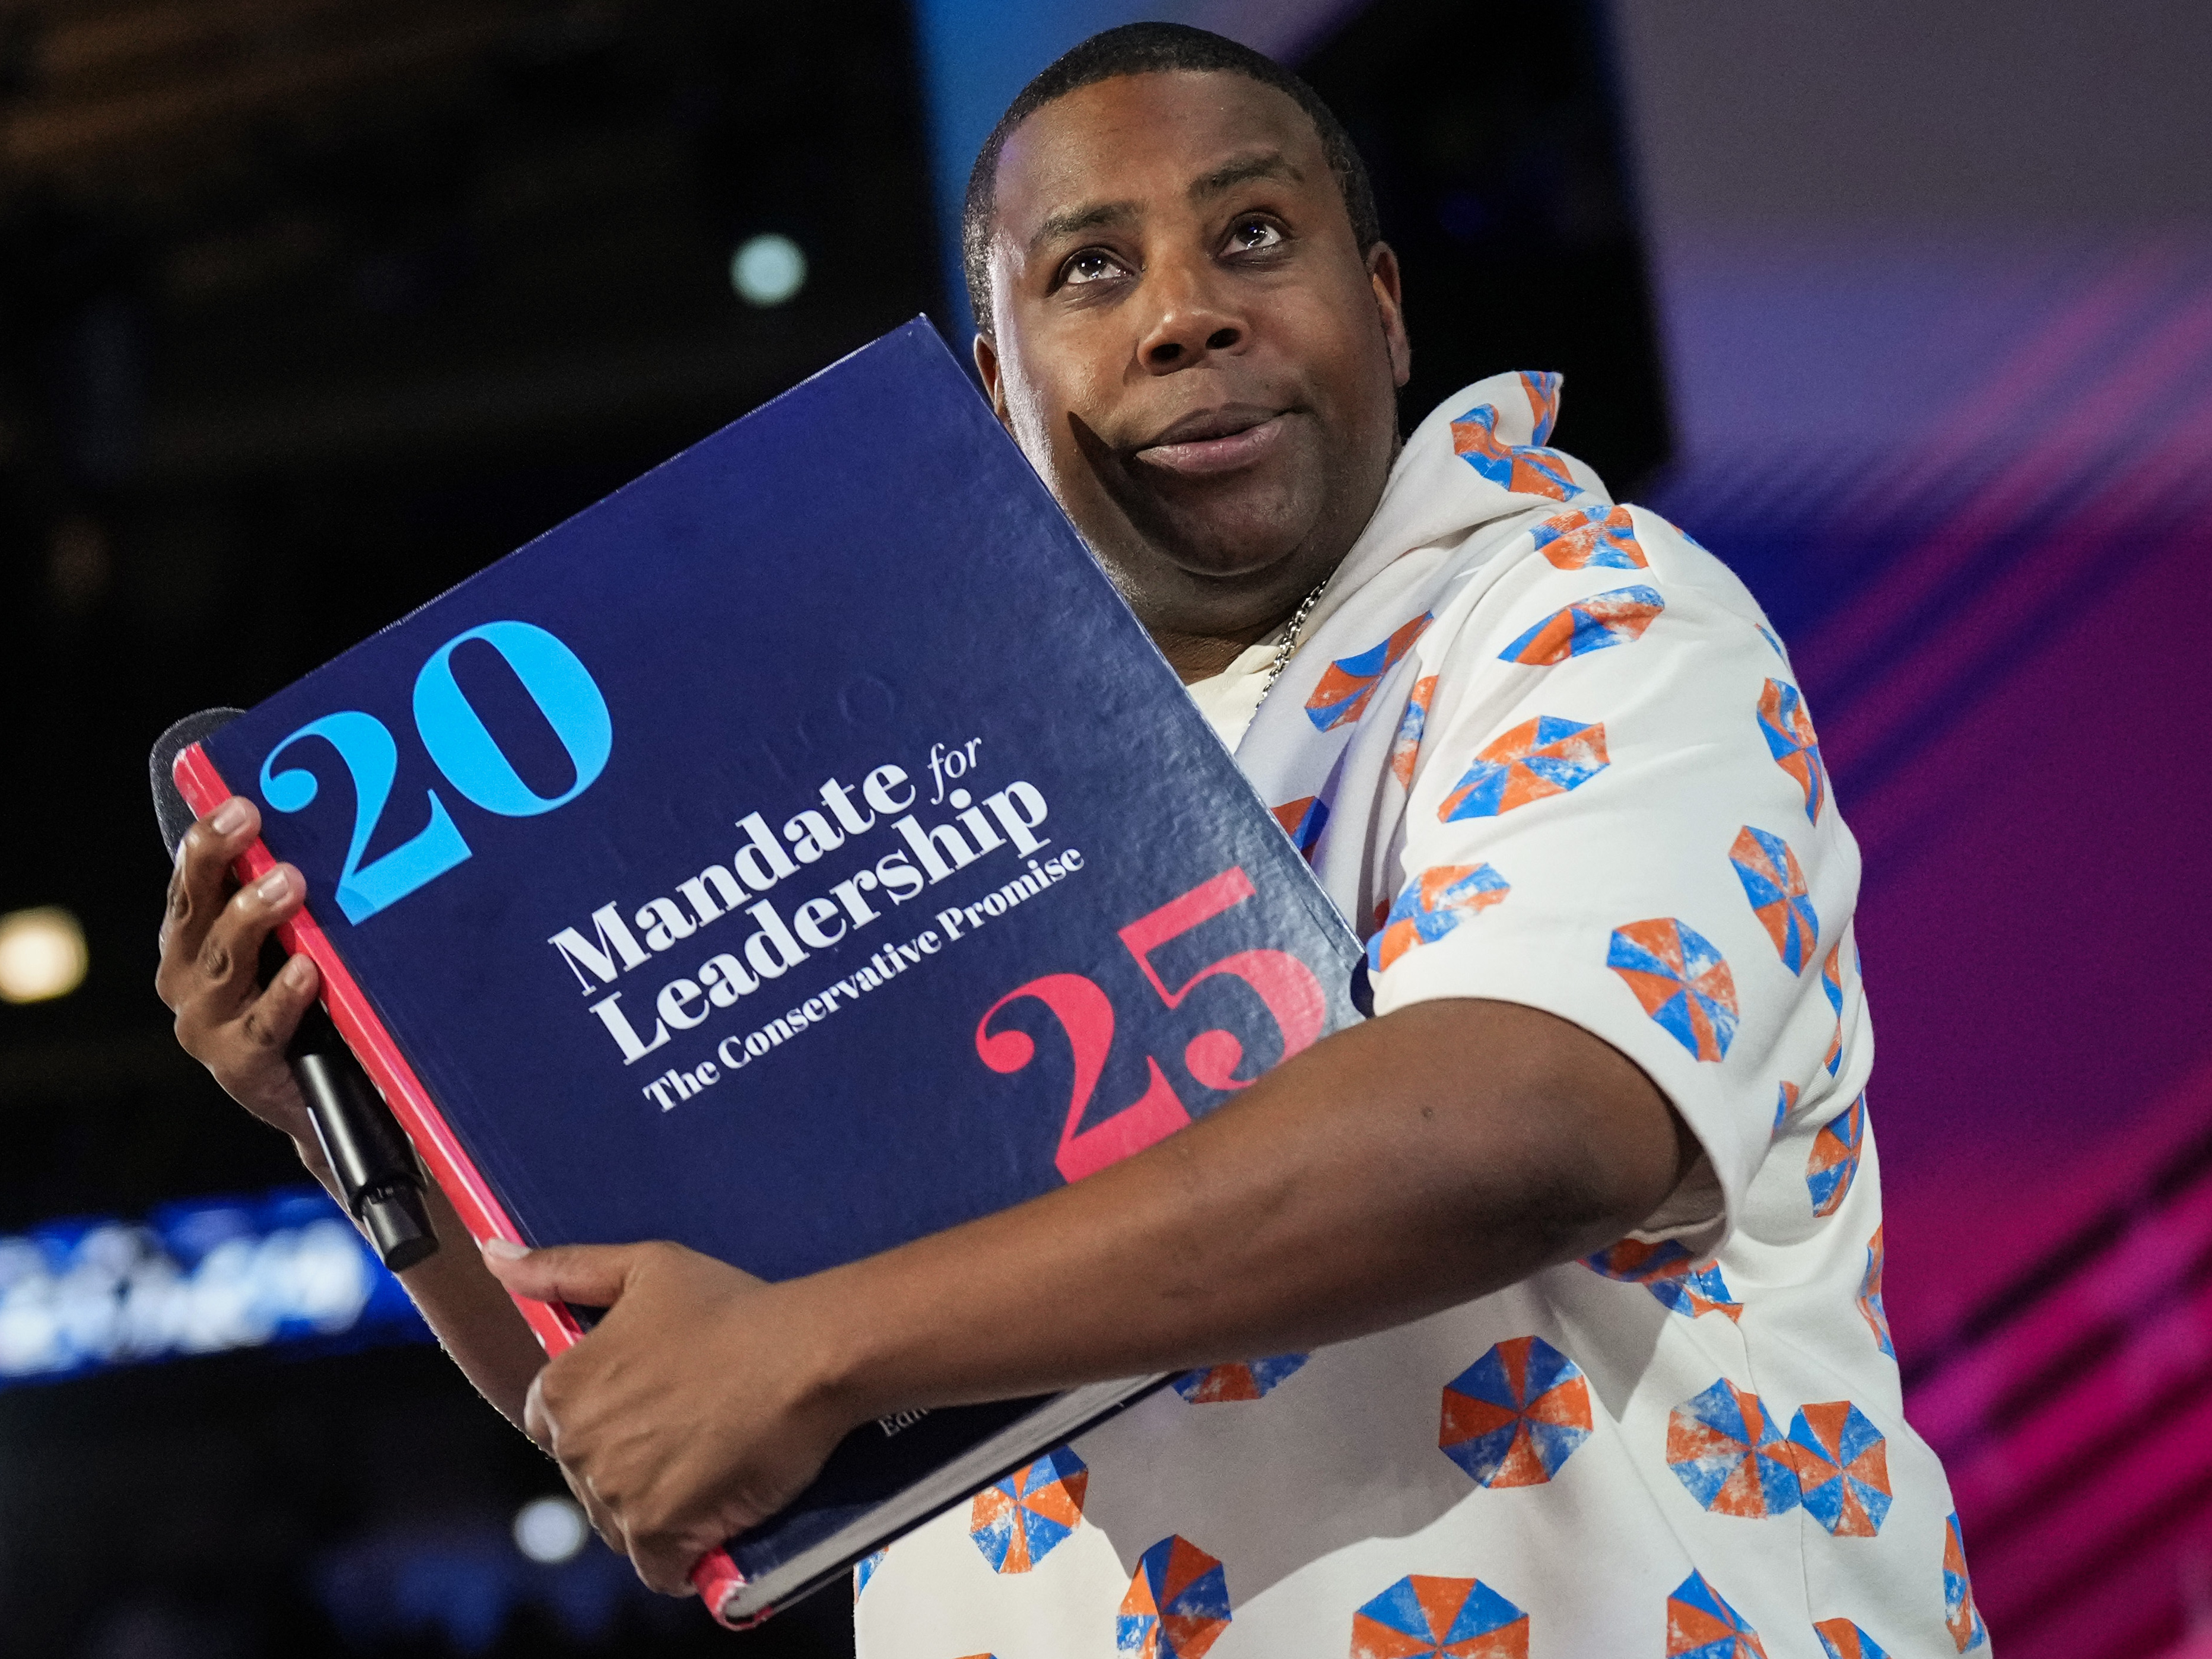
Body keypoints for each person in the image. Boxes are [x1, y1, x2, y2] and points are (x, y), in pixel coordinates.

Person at [155, 23, 1984, 1658]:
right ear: (996, 384)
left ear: (1390, 306)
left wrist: (816, 1337)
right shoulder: (903, 802)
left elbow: (1534, 1118)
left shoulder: (1579, 614)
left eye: (1252, 237)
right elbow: (689, 1450)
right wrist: (366, 1124)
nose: (1185, 309)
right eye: (1091, 271)